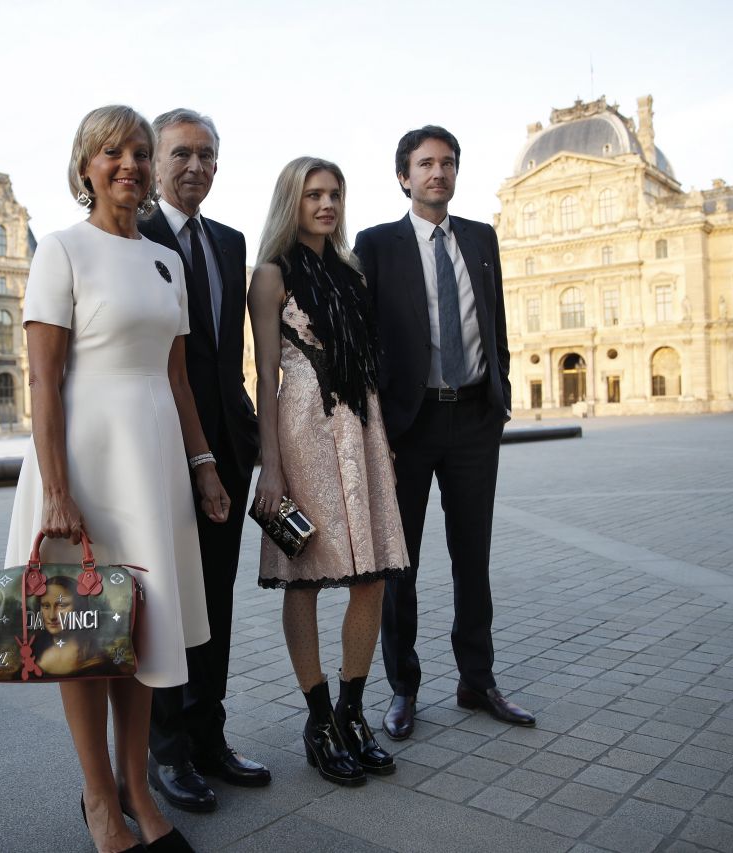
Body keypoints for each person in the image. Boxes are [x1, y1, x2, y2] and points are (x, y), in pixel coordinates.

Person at [4, 104, 229, 853]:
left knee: (141, 632)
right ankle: (100, 799)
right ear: (85, 167)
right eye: (112, 152)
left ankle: (139, 786)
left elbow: (179, 379)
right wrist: (58, 491)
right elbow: (43, 380)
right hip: (87, 463)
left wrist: (203, 467)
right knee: (84, 635)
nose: (129, 164)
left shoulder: (167, 261)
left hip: (155, 461)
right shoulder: (60, 250)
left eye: (139, 150)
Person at [354, 125, 535, 742]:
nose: (439, 173)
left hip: (474, 419)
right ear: (404, 176)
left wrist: (498, 395)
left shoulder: (482, 239)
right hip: (411, 423)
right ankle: (404, 688)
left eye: (448, 163)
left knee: (473, 557)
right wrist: (378, 422)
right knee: (402, 563)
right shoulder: (377, 244)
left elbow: (496, 323)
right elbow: (364, 342)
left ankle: (477, 681)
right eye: (426, 164)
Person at [248, 157, 409, 786]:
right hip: (303, 434)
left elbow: (369, 364)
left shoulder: (352, 274)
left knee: (373, 577)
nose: (326, 205)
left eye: (335, 194)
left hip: (361, 431)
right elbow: (265, 375)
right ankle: (317, 721)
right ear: (292, 200)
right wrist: (272, 468)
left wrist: (385, 443)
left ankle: (351, 712)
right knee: (306, 580)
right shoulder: (269, 275)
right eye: (314, 194)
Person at [138, 108, 268, 812]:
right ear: (155, 161)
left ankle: (209, 733)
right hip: (159, 444)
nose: (196, 166)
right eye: (182, 153)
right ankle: (168, 750)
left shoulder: (229, 240)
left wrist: (243, 438)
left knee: (214, 599)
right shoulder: (134, 230)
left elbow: (226, 355)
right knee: (167, 599)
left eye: (208, 155)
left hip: (227, 441)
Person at [31, 576, 100, 677]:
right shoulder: (33, 650)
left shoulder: (94, 657)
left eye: (61, 605)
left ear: (79, 607)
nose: (52, 616)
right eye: (46, 606)